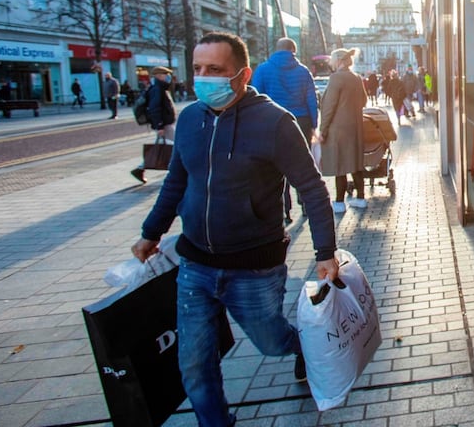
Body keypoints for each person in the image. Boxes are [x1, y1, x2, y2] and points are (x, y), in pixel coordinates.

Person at [131, 32, 339, 427]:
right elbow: (176, 182)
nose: (203, 78)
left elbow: (312, 188)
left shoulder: (276, 123)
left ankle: (302, 347)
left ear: (242, 75)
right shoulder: (191, 119)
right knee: (194, 362)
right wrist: (151, 232)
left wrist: (325, 252)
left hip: (254, 267)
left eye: (214, 70)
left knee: (271, 340)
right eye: (197, 69)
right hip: (195, 265)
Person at [250, 37, 320, 223]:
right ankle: (305, 204)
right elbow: (311, 100)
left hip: (272, 121)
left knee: (275, 166)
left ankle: (284, 209)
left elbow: (255, 97)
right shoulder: (303, 71)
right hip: (301, 121)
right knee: (303, 163)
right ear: (293, 51)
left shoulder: (263, 69)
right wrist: (314, 124)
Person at [319, 48, 368, 213]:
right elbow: (364, 100)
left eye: (332, 60)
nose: (330, 63)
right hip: (355, 126)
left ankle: (339, 202)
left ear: (338, 61)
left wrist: (323, 130)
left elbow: (329, 107)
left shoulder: (336, 78)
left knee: (339, 164)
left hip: (338, 128)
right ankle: (361, 198)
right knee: (355, 163)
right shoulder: (356, 78)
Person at [130, 66, 177, 184]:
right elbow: (155, 108)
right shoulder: (157, 89)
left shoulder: (160, 88)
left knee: (163, 146)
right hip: (164, 124)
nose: (168, 76)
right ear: (158, 75)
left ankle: (140, 169)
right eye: (166, 74)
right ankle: (179, 171)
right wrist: (159, 126)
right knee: (178, 146)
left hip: (164, 124)